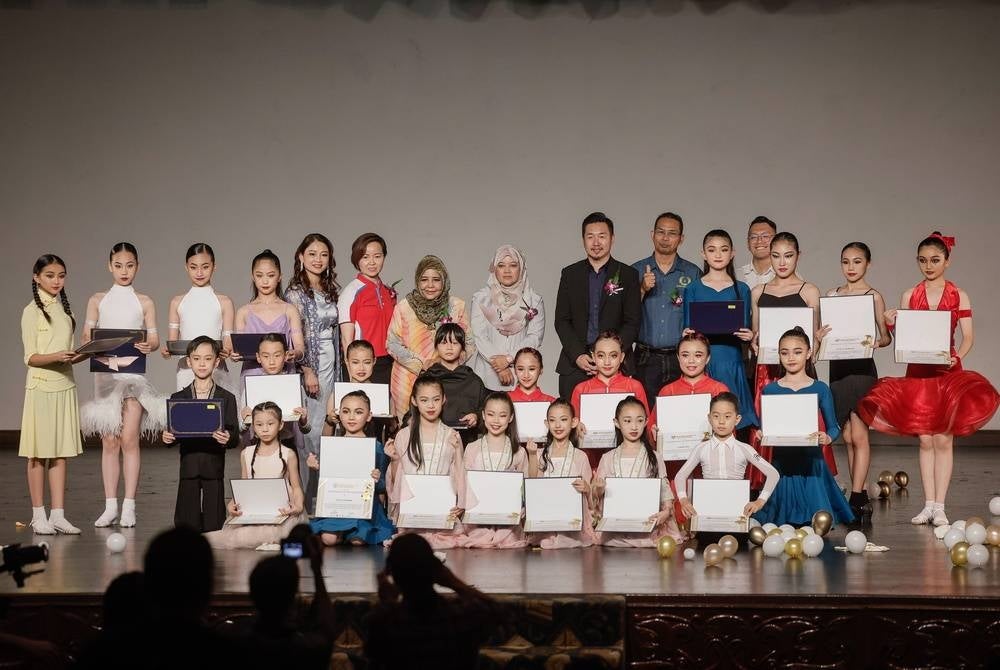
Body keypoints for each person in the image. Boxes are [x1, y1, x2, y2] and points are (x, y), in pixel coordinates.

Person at [858, 233, 999, 527]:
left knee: (943, 438)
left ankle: (941, 507)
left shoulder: (958, 294)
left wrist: (955, 356)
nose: (929, 266)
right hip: (919, 372)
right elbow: (905, 337)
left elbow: (969, 336)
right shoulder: (911, 294)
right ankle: (928, 504)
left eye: (935, 260)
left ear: (947, 261)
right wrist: (889, 320)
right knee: (924, 439)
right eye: (923, 261)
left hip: (947, 372)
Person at [78, 243, 164, 529]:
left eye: (129, 265)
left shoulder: (145, 301)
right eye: (118, 265)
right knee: (110, 441)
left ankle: (129, 505)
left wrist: (147, 345)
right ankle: (110, 505)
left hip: (132, 376)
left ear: (137, 266)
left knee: (129, 439)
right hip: (104, 374)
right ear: (109, 266)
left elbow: (154, 339)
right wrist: (93, 344)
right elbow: (86, 337)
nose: (124, 271)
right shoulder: (97, 299)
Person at [814, 242, 892, 524]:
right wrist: (820, 336)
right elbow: (827, 336)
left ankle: (858, 496)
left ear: (867, 264)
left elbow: (885, 338)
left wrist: (874, 339)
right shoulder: (832, 296)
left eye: (857, 262)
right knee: (846, 436)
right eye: (846, 262)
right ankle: (857, 489)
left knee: (859, 434)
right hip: (838, 371)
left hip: (861, 371)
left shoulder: (874, 297)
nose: (851, 267)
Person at [753, 328, 852, 527]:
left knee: (815, 522)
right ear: (778, 355)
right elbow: (767, 427)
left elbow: (834, 427)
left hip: (811, 461)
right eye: (784, 352)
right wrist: (762, 433)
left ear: (808, 353)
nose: (791, 357)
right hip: (783, 461)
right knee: (779, 523)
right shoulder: (770, 390)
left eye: (797, 352)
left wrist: (828, 437)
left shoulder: (820, 388)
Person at [750, 231, 825, 487]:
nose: (782, 262)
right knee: (771, 430)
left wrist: (817, 341)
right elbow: (757, 335)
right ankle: (767, 487)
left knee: (802, 430)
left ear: (798, 257)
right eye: (776, 256)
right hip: (768, 372)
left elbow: (815, 339)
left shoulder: (809, 291)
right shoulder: (758, 291)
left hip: (800, 373)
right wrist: (754, 340)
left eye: (788, 256)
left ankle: (807, 486)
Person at [365, 533, 506, 670]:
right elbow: (501, 613)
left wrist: (387, 602)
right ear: (436, 569)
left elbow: (373, 654)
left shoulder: (384, 621)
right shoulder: (461, 615)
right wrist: (455, 583)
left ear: (391, 571)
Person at [20, 254, 86, 535]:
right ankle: (38, 515)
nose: (56, 281)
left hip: (64, 387)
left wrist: (89, 354)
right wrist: (56, 356)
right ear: (37, 277)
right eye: (49, 275)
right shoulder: (31, 311)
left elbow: (68, 357)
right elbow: (31, 357)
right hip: (41, 387)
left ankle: (58, 514)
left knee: (60, 453)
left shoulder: (66, 312)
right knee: (38, 454)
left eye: (61, 275)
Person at [554, 212, 641, 400]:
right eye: (590, 236)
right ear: (583, 240)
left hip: (616, 364)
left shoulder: (628, 274)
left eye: (602, 236)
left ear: (612, 239)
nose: (596, 242)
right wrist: (578, 355)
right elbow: (561, 321)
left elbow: (633, 322)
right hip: (575, 363)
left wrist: (612, 354)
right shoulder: (570, 274)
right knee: (573, 424)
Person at [647, 332, 730, 523]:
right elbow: (652, 434)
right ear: (677, 357)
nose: (691, 361)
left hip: (710, 469)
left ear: (708, 358)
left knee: (707, 521)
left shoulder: (719, 389)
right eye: (685, 355)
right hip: (677, 468)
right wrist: (655, 435)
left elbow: (730, 430)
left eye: (698, 355)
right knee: (679, 522)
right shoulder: (667, 391)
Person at [285, 233, 342, 511]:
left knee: (331, 426)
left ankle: (328, 497)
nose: (318, 259)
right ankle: (307, 501)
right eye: (312, 254)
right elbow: (295, 337)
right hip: (310, 366)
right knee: (311, 431)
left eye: (323, 254)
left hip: (333, 364)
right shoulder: (295, 293)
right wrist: (307, 369)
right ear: (300, 257)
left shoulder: (332, 289)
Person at [162, 336, 240, 533]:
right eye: (196, 359)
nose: (202, 364)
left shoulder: (226, 397)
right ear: (189, 362)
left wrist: (227, 437)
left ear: (217, 361)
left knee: (215, 526)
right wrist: (167, 438)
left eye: (207, 358)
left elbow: (234, 435)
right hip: (188, 466)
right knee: (186, 525)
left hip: (214, 467)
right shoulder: (178, 398)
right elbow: (173, 433)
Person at [206, 401, 308, 550]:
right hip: (255, 508)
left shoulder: (288, 454)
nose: (265, 429)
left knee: (280, 532)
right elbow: (244, 486)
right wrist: (232, 504)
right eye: (259, 425)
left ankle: (271, 540)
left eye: (270, 424)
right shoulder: (246, 454)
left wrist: (298, 507)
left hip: (282, 510)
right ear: (253, 426)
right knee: (233, 536)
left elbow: (296, 486)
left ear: (280, 425)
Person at [681, 230, 757, 430]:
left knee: (733, 419)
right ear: (703, 254)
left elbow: (745, 328)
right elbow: (687, 328)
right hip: (703, 361)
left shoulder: (741, 289)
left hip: (731, 360)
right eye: (711, 250)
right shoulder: (693, 288)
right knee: (703, 421)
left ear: (732, 253)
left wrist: (749, 336)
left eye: (723, 250)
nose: (717, 255)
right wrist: (687, 334)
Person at [674, 392, 780, 529]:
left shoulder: (744, 448)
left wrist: (760, 501)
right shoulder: (701, 448)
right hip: (707, 513)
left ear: (737, 419)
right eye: (716, 416)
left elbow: (773, 474)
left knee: (738, 547)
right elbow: (680, 476)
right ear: (709, 418)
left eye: (728, 416)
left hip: (737, 514)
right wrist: (683, 500)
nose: (722, 421)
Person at [385, 375, 467, 549]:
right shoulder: (403, 435)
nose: (431, 405)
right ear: (414, 401)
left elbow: (460, 474)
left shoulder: (452, 435)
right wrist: (394, 460)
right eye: (424, 400)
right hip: (412, 516)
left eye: (436, 399)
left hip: (443, 514)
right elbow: (395, 480)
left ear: (444, 399)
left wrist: (460, 504)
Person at [387, 255, 472, 417]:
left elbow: (468, 343)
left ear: (444, 281)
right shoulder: (403, 308)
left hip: (447, 379)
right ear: (417, 281)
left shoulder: (456, 306)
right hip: (407, 380)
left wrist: (443, 363)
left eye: (436, 280)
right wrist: (423, 363)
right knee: (408, 432)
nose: (430, 285)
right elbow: (392, 343)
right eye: (424, 279)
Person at [631, 212, 701, 404]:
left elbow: (701, 316)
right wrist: (642, 289)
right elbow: (623, 313)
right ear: (652, 234)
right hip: (645, 358)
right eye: (660, 232)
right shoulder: (635, 270)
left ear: (681, 238)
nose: (665, 238)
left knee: (682, 415)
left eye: (672, 233)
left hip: (682, 358)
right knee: (644, 416)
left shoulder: (692, 272)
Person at [593, 397, 681, 547]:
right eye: (627, 421)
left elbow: (664, 489)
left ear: (646, 422)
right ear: (617, 423)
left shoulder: (654, 457)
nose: (634, 427)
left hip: (648, 525)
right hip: (616, 527)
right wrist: (599, 488)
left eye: (639, 421)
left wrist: (666, 511)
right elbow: (596, 494)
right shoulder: (607, 458)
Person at [310, 390, 395, 546]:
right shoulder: (333, 445)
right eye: (346, 411)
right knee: (328, 539)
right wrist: (316, 468)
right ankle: (340, 532)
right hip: (338, 504)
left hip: (364, 506)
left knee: (358, 541)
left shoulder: (376, 448)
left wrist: (377, 480)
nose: (351, 417)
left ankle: (348, 533)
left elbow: (383, 486)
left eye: (358, 412)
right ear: (339, 414)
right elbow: (327, 482)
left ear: (369, 416)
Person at [244, 531, 335, 670]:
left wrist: (284, 560)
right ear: (293, 598)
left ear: (252, 595)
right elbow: (326, 627)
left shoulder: (238, 646)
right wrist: (316, 569)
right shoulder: (306, 649)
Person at [238, 334, 310, 489]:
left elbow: (306, 428)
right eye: (266, 356)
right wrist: (245, 420)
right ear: (258, 357)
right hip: (259, 445)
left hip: (287, 443)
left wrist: (303, 419)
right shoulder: (251, 387)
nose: (271, 361)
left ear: (285, 356)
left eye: (277, 355)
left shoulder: (294, 385)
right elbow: (241, 427)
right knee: (259, 490)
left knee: (290, 488)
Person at [569, 330, 649, 469]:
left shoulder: (635, 386)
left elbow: (645, 426)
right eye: (601, 356)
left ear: (622, 357)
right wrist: (575, 430)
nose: (607, 362)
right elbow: (571, 429)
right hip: (590, 460)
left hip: (629, 461)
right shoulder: (581, 389)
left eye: (613, 356)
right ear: (593, 356)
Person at [470, 245, 545, 392]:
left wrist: (509, 359)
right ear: (494, 269)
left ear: (521, 268)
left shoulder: (533, 300)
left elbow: (535, 337)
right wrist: (499, 366)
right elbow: (479, 336)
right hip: (486, 375)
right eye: (501, 265)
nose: (507, 271)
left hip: (520, 375)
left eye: (513, 265)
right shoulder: (481, 299)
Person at [161, 243, 235, 391]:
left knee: (218, 411)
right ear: (186, 267)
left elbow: (227, 342)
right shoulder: (177, 302)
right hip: (187, 369)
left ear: (214, 266)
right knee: (187, 412)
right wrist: (167, 352)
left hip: (216, 368)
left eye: (205, 267)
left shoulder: (224, 302)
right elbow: (173, 343)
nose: (199, 272)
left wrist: (226, 350)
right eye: (193, 267)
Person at [460, 392, 529, 549]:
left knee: (509, 538)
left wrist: (521, 508)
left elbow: (524, 488)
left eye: (502, 415)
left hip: (508, 523)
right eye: (491, 414)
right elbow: (465, 484)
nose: (496, 421)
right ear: (483, 415)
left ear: (510, 417)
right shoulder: (472, 448)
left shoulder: (519, 451)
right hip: (478, 521)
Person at [526, 399, 597, 549]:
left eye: (563, 420)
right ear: (546, 424)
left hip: (573, 516)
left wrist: (586, 488)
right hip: (546, 514)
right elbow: (533, 483)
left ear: (574, 422)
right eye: (553, 420)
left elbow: (589, 492)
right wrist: (532, 455)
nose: (558, 425)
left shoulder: (580, 456)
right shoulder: (540, 453)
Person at [230, 249, 305, 377]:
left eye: (270, 275)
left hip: (284, 374)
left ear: (279, 276)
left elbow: (300, 347)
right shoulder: (243, 312)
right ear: (253, 277)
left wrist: (295, 353)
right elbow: (239, 347)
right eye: (259, 276)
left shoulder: (290, 310)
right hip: (252, 375)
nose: (265, 281)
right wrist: (234, 355)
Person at [338, 233, 396, 384]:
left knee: (385, 408)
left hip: (387, 362)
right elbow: (346, 339)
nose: (372, 262)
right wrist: (352, 374)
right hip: (363, 366)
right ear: (357, 260)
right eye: (365, 257)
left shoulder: (387, 291)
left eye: (377, 256)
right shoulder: (351, 292)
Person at [322, 339, 398, 445]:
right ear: (347, 362)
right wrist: (330, 421)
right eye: (355, 362)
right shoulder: (337, 394)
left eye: (367, 362)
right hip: (343, 448)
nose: (361, 368)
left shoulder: (384, 395)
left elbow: (394, 433)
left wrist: (392, 423)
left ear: (374, 361)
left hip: (376, 452)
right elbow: (325, 439)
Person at [424, 323, 488, 438]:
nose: (449, 347)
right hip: (432, 441)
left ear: (462, 348)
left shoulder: (474, 381)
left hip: (466, 442)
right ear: (436, 347)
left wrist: (476, 417)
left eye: (455, 343)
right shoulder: (426, 380)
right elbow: (412, 413)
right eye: (444, 343)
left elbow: (486, 411)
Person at [737, 216, 777, 290]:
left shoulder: (787, 275)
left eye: (765, 236)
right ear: (748, 243)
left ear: (776, 241)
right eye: (754, 237)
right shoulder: (736, 276)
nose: (759, 241)